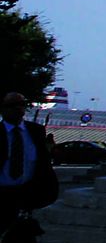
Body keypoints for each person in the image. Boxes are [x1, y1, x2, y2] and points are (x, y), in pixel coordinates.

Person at [1, 92, 59, 230]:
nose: (18, 109)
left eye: (22, 105)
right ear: (2, 109)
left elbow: (42, 163)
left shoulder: (35, 131)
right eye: (12, 105)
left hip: (26, 193)